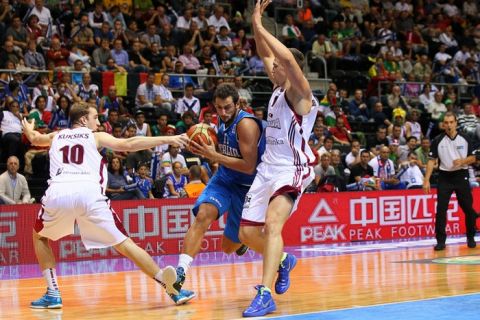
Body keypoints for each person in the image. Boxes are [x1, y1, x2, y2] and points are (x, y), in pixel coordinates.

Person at [21, 102, 194, 308]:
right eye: (95, 118)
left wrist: (29, 128)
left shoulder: (56, 135)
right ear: (84, 119)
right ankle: (171, 288)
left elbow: (34, 139)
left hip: (59, 191)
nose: (98, 122)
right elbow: (129, 144)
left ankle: (52, 292)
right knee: (125, 244)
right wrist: (168, 138)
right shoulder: (95, 136)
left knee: (40, 236)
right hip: (89, 192)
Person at [236, 1, 320, 317]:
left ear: (292, 69)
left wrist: (260, 27)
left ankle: (264, 293)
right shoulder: (277, 85)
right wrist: (255, 19)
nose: (272, 66)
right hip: (267, 168)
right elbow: (266, 53)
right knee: (245, 233)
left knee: (273, 225)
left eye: (279, 66)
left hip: (292, 169)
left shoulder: (301, 94)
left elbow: (283, 55)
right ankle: (284, 260)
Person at [165, 83, 265, 303]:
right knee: (202, 216)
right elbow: (218, 147)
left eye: (227, 107)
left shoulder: (246, 125)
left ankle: (243, 240)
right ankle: (180, 273)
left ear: (238, 104)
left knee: (228, 248)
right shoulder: (220, 119)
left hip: (247, 186)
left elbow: (249, 165)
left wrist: (214, 155)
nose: (222, 112)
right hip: (224, 178)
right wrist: (199, 142)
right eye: (218, 108)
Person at [423, 112, 478, 251]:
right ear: (443, 124)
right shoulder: (437, 140)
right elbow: (431, 160)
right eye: (446, 123)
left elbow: (474, 158)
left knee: (467, 208)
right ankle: (441, 241)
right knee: (441, 210)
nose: (448, 125)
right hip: (444, 177)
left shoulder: (465, 138)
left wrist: (463, 161)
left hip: (461, 175)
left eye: (451, 122)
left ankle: (470, 237)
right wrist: (426, 180)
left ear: (456, 123)